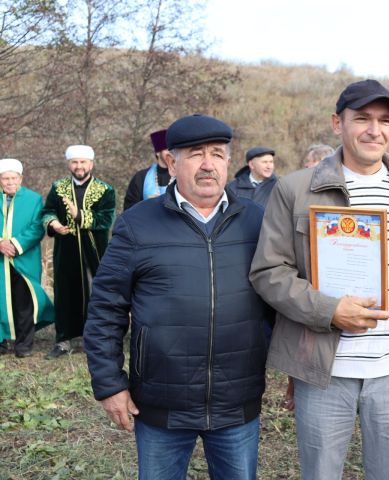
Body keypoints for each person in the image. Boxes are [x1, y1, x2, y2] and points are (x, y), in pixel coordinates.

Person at [249, 79, 389, 480]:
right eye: (363, 119)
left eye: (385, 121)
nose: (375, 130)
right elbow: (268, 272)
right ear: (338, 123)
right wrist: (329, 310)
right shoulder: (295, 190)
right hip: (324, 371)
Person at [84, 114, 271, 480]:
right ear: (171, 162)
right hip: (161, 406)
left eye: (217, 154)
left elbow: (280, 299)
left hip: (237, 402)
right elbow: (106, 308)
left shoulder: (257, 221)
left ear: (228, 162)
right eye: (195, 154)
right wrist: (109, 384)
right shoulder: (137, 224)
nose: (208, 164)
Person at [42, 145, 115, 359]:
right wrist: (53, 223)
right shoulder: (58, 187)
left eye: (83, 162)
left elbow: (106, 220)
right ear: (69, 164)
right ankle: (63, 340)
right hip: (66, 251)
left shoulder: (105, 189)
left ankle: (97, 339)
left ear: (91, 163)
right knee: (65, 293)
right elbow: (47, 211)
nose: (79, 166)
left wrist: (79, 215)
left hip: (95, 252)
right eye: (75, 162)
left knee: (96, 293)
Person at [0, 158, 54, 357]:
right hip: (0, 261)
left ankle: (24, 345)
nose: (10, 182)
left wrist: (15, 244)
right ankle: (2, 341)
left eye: (14, 178)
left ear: (21, 178)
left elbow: (37, 227)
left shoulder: (34, 199)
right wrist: (0, 243)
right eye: (6, 179)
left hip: (24, 259)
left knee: (24, 301)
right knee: (0, 301)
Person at [123, 129, 172, 211]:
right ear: (158, 152)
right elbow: (130, 210)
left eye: (172, 150)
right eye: (167, 149)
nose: (171, 153)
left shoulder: (181, 175)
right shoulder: (141, 177)